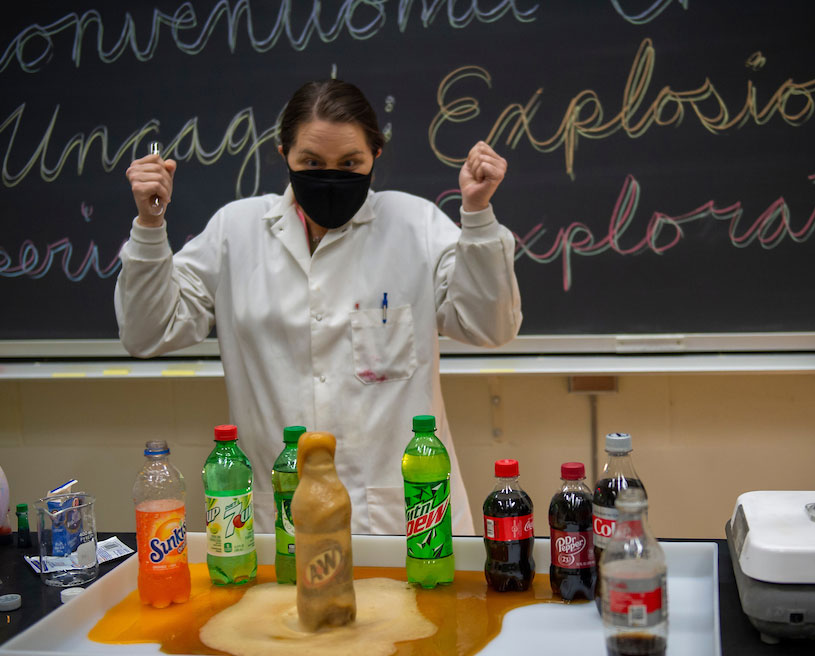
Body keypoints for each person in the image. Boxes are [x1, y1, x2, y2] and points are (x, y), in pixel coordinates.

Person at [115, 79, 521, 535]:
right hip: (282, 518)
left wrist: (478, 215)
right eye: (311, 162)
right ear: (284, 152)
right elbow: (146, 332)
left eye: (350, 162)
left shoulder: (415, 224)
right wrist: (150, 227)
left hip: (399, 517)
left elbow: (491, 326)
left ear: (376, 156)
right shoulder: (237, 231)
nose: (330, 176)